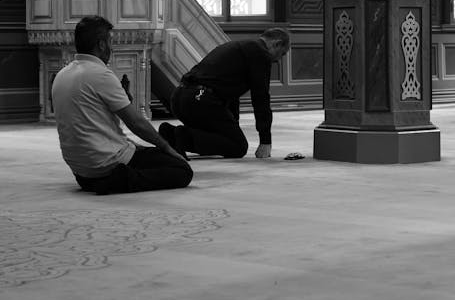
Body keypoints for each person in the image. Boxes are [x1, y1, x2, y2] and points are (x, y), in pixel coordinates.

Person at [52, 16, 193, 195]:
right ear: (101, 44)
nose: (112, 47)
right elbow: (136, 123)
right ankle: (120, 181)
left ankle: (107, 180)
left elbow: (93, 125)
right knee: (181, 170)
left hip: (81, 172)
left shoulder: (62, 74)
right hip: (107, 163)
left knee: (145, 154)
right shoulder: (100, 74)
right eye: (110, 41)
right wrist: (166, 148)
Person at [160, 28, 291, 159]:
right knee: (238, 147)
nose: (279, 60)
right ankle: (181, 136)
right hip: (201, 102)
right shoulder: (260, 54)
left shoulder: (240, 47)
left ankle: (170, 134)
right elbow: (260, 97)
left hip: (180, 98)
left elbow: (232, 95)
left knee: (226, 138)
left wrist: (233, 127)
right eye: (282, 54)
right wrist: (265, 140)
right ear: (276, 44)